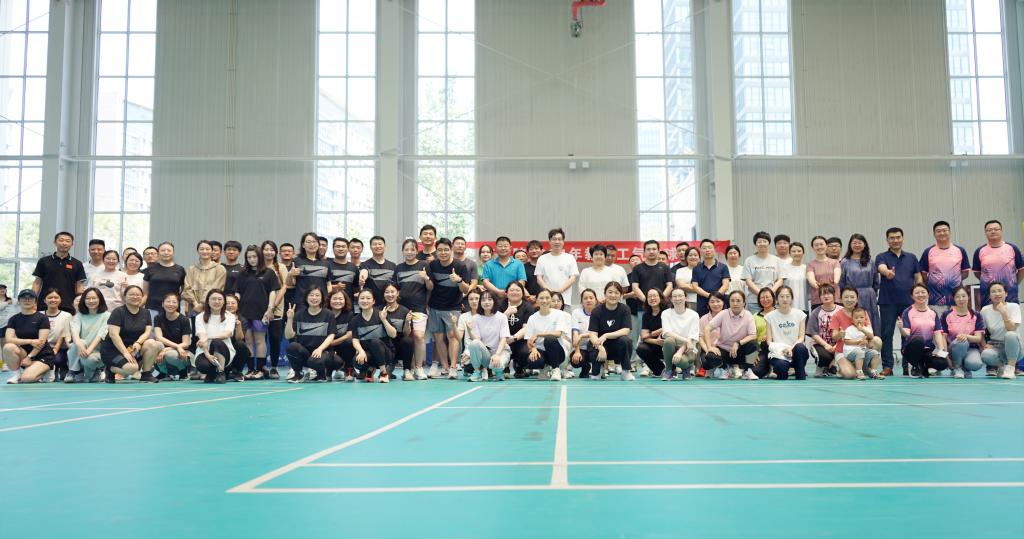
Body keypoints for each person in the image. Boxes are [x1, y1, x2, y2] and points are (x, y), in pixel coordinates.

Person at [876, 227, 921, 377]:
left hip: (908, 303)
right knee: (886, 334)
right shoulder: (882, 256)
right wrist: (887, 273)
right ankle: (887, 366)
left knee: (908, 334)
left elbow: (918, 277)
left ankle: (908, 366)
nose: (895, 240)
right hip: (888, 302)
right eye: (892, 238)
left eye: (898, 237)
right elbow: (881, 268)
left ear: (902, 238)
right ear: (887, 240)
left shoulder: (911, 257)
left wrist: (919, 293)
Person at [427, 238, 473, 379]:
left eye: (446, 250)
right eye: (440, 250)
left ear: (451, 249)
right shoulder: (433, 265)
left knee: (453, 337)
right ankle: (445, 367)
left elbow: (466, 290)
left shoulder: (460, 266)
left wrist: (459, 280)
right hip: (435, 306)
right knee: (438, 338)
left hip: (453, 307)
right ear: (436, 251)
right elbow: (430, 287)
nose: (443, 253)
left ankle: (453, 366)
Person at [236, 245, 280, 379]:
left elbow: (272, 292)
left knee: (260, 340)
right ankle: (250, 369)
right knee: (248, 341)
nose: (252, 259)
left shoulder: (269, 273)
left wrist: (270, 309)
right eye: (249, 257)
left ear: (260, 257)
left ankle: (260, 369)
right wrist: (235, 309)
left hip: (261, 313)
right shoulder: (242, 273)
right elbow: (237, 292)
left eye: (254, 256)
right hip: (244, 312)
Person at [395, 238, 432, 379]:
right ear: (402, 252)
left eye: (412, 249)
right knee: (408, 338)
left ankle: (419, 368)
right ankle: (408, 369)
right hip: (402, 309)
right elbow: (395, 289)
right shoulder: (398, 268)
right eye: (406, 249)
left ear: (417, 251)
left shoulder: (424, 265)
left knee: (419, 336)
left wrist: (426, 278)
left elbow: (431, 287)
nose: (409, 252)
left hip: (419, 307)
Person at [99, 285, 153, 383]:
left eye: (138, 295)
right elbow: (113, 335)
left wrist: (139, 342)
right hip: (113, 350)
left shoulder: (146, 312)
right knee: (132, 368)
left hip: (132, 349)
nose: (135, 297)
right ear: (125, 297)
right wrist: (125, 352)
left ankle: (146, 375)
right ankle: (110, 369)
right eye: (131, 294)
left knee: (153, 344)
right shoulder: (118, 312)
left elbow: (147, 331)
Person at [284, 287, 337, 383]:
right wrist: (290, 319)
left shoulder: (328, 314)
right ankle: (298, 374)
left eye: (317, 295)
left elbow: (331, 335)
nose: (314, 298)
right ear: (306, 297)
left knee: (315, 360)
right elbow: (289, 336)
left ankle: (321, 373)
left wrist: (320, 349)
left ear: (322, 298)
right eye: (311, 295)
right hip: (305, 352)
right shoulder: (299, 314)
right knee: (292, 346)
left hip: (323, 352)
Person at [703, 291, 759, 380]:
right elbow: (707, 328)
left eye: (738, 301)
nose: (735, 303)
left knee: (754, 344)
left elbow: (753, 335)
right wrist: (709, 347)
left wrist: (738, 343)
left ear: (744, 303)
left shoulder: (748, 315)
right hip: (724, 350)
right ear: (729, 302)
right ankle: (725, 369)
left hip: (740, 351)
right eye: (732, 300)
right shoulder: (723, 313)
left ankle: (747, 370)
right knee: (710, 356)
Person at [919, 221, 970, 314]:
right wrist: (932, 283)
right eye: (938, 231)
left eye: (945, 230)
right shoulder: (928, 251)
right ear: (934, 234)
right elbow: (923, 273)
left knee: (957, 323)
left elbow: (965, 273)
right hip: (935, 299)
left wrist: (953, 280)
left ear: (949, 232)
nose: (942, 233)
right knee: (937, 323)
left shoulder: (960, 250)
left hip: (957, 299)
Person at [832, 288, 883, 380]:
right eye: (846, 297)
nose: (849, 300)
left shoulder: (863, 313)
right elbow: (834, 338)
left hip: (861, 348)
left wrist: (865, 339)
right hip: (843, 351)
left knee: (877, 340)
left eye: (852, 297)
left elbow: (870, 333)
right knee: (850, 375)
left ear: (857, 299)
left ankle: (867, 368)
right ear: (841, 299)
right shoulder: (836, 315)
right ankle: (840, 367)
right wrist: (840, 334)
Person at [3, 289, 53, 384]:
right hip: (24, 353)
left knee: (27, 378)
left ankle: (46, 370)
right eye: (24, 298)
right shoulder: (13, 319)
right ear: (18, 301)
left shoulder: (42, 318)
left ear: (35, 301)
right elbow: (9, 339)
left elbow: (41, 342)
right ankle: (17, 375)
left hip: (42, 354)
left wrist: (29, 357)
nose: (27, 300)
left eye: (30, 298)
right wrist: (30, 341)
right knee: (8, 347)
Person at [899, 284, 948, 378]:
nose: (920, 295)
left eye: (923, 292)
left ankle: (923, 366)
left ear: (928, 294)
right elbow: (906, 334)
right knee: (919, 340)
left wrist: (941, 350)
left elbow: (937, 333)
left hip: (927, 350)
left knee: (942, 363)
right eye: (917, 293)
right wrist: (901, 328)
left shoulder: (933, 313)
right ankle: (914, 366)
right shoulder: (907, 311)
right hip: (911, 349)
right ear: (912, 296)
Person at [522, 289, 572, 380]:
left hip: (558, 353)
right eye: (541, 298)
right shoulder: (532, 318)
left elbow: (558, 333)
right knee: (533, 360)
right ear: (537, 300)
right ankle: (545, 368)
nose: (544, 301)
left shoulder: (559, 314)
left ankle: (556, 369)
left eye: (547, 298)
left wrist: (539, 334)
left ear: (550, 300)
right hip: (540, 351)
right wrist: (533, 349)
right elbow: (529, 339)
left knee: (549, 338)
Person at [350, 289, 399, 383]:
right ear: (358, 301)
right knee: (356, 361)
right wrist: (361, 351)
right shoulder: (355, 320)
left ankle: (383, 372)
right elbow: (355, 340)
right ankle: (369, 368)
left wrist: (384, 320)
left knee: (375, 342)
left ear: (373, 301)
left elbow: (393, 335)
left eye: (368, 298)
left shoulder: (381, 314)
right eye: (362, 298)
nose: (365, 301)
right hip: (369, 354)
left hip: (386, 354)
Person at [588, 283, 634, 381]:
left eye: (616, 293)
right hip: (601, 345)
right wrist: (600, 347)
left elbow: (626, 330)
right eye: (610, 292)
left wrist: (606, 335)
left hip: (617, 346)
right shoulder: (596, 311)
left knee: (626, 341)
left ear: (621, 295)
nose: (613, 295)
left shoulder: (625, 309)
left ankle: (626, 371)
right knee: (591, 344)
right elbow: (592, 334)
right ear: (605, 294)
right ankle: (598, 370)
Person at [972, 220, 1024, 306]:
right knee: (989, 314)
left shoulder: (1013, 248)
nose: (993, 231)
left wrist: (1013, 283)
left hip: (1010, 294)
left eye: (996, 229)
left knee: (1010, 315)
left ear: (1001, 231)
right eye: (989, 230)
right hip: (988, 295)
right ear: (985, 233)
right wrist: (988, 280)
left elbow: (1021, 270)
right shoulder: (979, 251)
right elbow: (977, 273)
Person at [31, 231, 86, 313]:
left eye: (68, 241)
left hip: (68, 305)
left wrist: (79, 302)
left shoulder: (77, 263)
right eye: (61, 240)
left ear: (72, 244)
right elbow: (37, 283)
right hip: (45, 304)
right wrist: (33, 300)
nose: (64, 243)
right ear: (55, 242)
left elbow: (79, 286)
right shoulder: (44, 261)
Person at [464, 290, 511, 382]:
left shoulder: (502, 317)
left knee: (497, 364)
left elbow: (503, 339)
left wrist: (497, 355)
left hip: (501, 352)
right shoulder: (476, 318)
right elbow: (477, 341)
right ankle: (477, 371)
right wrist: (469, 330)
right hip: (486, 353)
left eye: (489, 299)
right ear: (480, 303)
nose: (486, 302)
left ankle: (498, 371)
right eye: (483, 300)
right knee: (474, 343)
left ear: (494, 301)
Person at [65, 288, 110, 383]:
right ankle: (74, 371)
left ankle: (97, 370)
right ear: (83, 300)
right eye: (88, 298)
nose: (91, 301)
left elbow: (100, 335)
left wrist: (89, 350)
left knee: (90, 360)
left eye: (94, 298)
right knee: (76, 343)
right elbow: (75, 332)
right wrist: (79, 344)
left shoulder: (106, 315)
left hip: (97, 352)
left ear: (100, 299)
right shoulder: (79, 315)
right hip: (81, 349)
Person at [939, 286, 985, 379]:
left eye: (964, 296)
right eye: (958, 296)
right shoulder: (946, 314)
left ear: (968, 297)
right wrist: (946, 355)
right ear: (953, 298)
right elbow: (943, 337)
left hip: (971, 348)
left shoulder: (976, 315)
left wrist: (966, 336)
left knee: (976, 364)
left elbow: (978, 338)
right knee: (961, 341)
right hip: (953, 349)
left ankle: (965, 368)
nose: (961, 299)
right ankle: (957, 368)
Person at [764, 285, 809, 380]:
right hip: (779, 352)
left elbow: (801, 338)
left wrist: (790, 349)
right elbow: (769, 341)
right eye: (781, 296)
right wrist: (782, 349)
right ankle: (780, 370)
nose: (785, 299)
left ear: (792, 299)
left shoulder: (800, 314)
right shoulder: (770, 317)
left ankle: (800, 373)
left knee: (800, 348)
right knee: (782, 369)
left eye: (787, 296)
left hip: (795, 351)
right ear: (777, 299)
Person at [193, 290, 237, 384]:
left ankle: (221, 372)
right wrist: (207, 355)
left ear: (224, 302)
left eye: (220, 299)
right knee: (203, 365)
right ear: (208, 301)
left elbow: (226, 334)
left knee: (216, 341)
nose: (217, 302)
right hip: (205, 350)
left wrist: (208, 337)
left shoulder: (230, 316)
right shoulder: (199, 317)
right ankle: (212, 373)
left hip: (224, 351)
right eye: (213, 299)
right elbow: (202, 338)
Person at [979, 282, 1021, 379]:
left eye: (1000, 291)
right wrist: (984, 345)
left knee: (1010, 334)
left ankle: (1011, 368)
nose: (997, 294)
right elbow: (980, 331)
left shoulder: (1014, 306)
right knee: (985, 355)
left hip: (1014, 346)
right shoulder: (985, 310)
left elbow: (1012, 329)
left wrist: (1004, 313)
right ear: (989, 296)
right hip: (996, 345)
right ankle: (1001, 367)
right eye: (993, 292)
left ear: (1006, 293)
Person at [838, 233, 879, 330]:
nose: (857, 245)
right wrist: (845, 296)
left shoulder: (870, 261)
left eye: (860, 243)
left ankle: (872, 338)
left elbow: (876, 280)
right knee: (854, 319)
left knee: (871, 319)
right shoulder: (845, 262)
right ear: (850, 245)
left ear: (864, 244)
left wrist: (872, 293)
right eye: (854, 243)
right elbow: (841, 281)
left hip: (869, 295)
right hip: (851, 295)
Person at [658, 288, 700, 381]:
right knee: (668, 340)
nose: (677, 298)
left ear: (686, 298)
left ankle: (686, 368)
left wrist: (680, 352)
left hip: (688, 348)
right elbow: (667, 332)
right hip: (672, 345)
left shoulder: (694, 315)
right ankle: (669, 371)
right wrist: (686, 340)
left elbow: (692, 337)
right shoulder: (666, 313)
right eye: (675, 296)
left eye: (680, 296)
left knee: (680, 361)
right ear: (671, 299)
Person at [261, 241, 289, 379]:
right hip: (259, 309)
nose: (269, 252)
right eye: (266, 249)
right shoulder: (257, 267)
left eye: (272, 250)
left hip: (276, 309)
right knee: (260, 338)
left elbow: (284, 287)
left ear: (276, 252)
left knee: (275, 339)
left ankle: (273, 367)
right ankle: (261, 367)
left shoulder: (281, 267)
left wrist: (272, 306)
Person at [150, 292, 192, 380]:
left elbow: (186, 343)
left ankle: (183, 370)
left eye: (174, 302)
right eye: (168, 301)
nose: (171, 304)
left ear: (178, 304)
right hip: (167, 348)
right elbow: (159, 337)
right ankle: (163, 372)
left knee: (170, 355)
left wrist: (168, 349)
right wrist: (175, 347)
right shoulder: (158, 318)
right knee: (153, 346)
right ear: (162, 304)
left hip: (181, 351)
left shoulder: (184, 320)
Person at [536, 228, 581, 308]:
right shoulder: (542, 258)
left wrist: (558, 292)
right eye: (554, 239)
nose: (557, 242)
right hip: (547, 300)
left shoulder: (570, 258)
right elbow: (539, 279)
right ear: (549, 241)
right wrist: (550, 293)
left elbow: (572, 278)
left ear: (563, 241)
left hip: (565, 300)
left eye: (559, 239)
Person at [142, 242, 186, 320]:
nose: (166, 252)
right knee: (153, 328)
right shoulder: (150, 269)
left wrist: (176, 299)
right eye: (163, 250)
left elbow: (184, 289)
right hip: (153, 308)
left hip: (172, 307)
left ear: (173, 253)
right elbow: (145, 293)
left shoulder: (180, 269)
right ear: (158, 253)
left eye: (169, 250)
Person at [183, 240, 227, 315]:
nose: (204, 251)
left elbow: (217, 287)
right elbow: (187, 288)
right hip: (194, 308)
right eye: (202, 249)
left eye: (207, 249)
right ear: (197, 251)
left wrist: (202, 304)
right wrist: (195, 303)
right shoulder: (191, 269)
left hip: (212, 307)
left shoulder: (220, 269)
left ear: (212, 251)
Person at [741, 231, 782, 313]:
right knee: (756, 321)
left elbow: (780, 280)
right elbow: (748, 280)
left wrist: (770, 294)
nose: (762, 243)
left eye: (765, 241)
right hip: (754, 301)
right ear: (755, 244)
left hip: (772, 301)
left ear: (769, 243)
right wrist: (761, 294)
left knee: (772, 321)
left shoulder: (777, 260)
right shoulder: (749, 260)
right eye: (759, 242)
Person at [288, 232, 330, 311]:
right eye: (308, 242)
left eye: (314, 242)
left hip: (321, 302)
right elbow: (291, 284)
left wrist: (326, 298)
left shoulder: (326, 263)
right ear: (303, 245)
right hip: (302, 303)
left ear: (318, 244)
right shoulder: (296, 261)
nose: (312, 244)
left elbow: (328, 285)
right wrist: (290, 274)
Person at [381, 283, 414, 380]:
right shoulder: (378, 310)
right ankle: (387, 367)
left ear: (398, 293)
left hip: (398, 347)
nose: (390, 295)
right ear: (383, 294)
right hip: (385, 347)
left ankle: (406, 370)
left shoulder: (404, 310)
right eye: (387, 292)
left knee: (408, 341)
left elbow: (406, 333)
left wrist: (407, 322)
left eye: (392, 292)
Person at [806, 285, 841, 378]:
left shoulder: (841, 310)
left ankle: (832, 365)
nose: (826, 296)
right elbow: (813, 333)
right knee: (824, 356)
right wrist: (826, 345)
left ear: (834, 295)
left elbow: (846, 331)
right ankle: (823, 365)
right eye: (823, 294)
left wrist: (837, 346)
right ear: (819, 297)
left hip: (839, 344)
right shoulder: (816, 312)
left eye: (828, 293)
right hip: (820, 345)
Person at [502, 281, 535, 377]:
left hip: (520, 340)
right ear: (506, 293)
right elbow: (496, 325)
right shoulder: (500, 305)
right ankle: (504, 366)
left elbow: (526, 328)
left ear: (522, 293)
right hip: (503, 339)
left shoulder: (528, 307)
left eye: (517, 290)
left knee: (525, 352)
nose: (514, 292)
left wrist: (513, 338)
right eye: (512, 290)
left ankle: (520, 366)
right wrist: (507, 313)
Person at [691, 239, 731, 316]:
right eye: (704, 248)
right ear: (700, 251)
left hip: (719, 303)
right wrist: (709, 296)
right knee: (703, 322)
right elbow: (695, 286)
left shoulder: (723, 267)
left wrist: (715, 297)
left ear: (714, 250)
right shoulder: (696, 268)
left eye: (710, 247)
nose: (707, 250)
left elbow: (725, 285)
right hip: (702, 303)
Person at [481, 236, 527, 301]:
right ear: (496, 248)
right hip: (494, 300)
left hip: (514, 299)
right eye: (500, 246)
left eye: (505, 246)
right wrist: (498, 292)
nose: (503, 248)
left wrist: (510, 292)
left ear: (510, 248)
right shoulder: (488, 264)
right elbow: (485, 282)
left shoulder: (518, 264)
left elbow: (522, 281)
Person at [41, 289, 72, 382]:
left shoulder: (67, 315)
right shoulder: (39, 314)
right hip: (42, 348)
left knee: (57, 359)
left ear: (60, 299)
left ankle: (62, 367)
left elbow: (65, 334)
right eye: (50, 297)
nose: (53, 300)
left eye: (56, 297)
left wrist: (56, 349)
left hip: (60, 349)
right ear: (44, 300)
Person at [635, 288, 667, 377]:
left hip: (667, 343)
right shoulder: (646, 315)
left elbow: (667, 329)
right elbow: (643, 336)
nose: (652, 298)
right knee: (641, 348)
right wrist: (656, 341)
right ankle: (660, 370)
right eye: (649, 296)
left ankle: (672, 368)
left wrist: (650, 334)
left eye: (655, 296)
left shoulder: (667, 311)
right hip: (654, 343)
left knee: (669, 342)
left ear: (660, 297)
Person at [326, 288, 356, 381]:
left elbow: (349, 335)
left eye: (340, 299)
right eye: (334, 299)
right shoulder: (324, 314)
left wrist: (332, 343)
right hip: (326, 347)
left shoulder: (349, 315)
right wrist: (328, 345)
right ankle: (326, 372)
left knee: (349, 342)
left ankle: (349, 369)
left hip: (342, 346)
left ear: (345, 300)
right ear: (329, 300)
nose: (337, 301)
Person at [359, 236, 397, 306]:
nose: (377, 246)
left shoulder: (393, 266)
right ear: (370, 247)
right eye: (374, 244)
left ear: (384, 246)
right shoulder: (365, 264)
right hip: (371, 305)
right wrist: (362, 279)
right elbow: (363, 272)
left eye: (380, 244)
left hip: (389, 304)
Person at [222, 294, 253, 381]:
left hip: (235, 349)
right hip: (222, 347)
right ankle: (222, 371)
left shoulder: (242, 320)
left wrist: (238, 325)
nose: (230, 305)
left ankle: (237, 371)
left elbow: (239, 339)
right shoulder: (217, 317)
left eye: (233, 303)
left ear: (238, 305)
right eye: (227, 303)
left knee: (241, 345)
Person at [806, 236, 841, 311]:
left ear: (826, 245)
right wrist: (815, 284)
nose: (819, 247)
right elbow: (811, 280)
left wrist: (835, 282)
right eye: (816, 245)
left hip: (834, 298)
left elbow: (837, 276)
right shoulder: (810, 264)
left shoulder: (835, 262)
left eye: (821, 244)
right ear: (812, 248)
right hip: (818, 299)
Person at [570, 289, 598, 378]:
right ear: (581, 301)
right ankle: (586, 366)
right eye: (585, 298)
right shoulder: (576, 313)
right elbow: (575, 333)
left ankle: (601, 368)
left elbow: (599, 334)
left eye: (591, 298)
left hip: (595, 346)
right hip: (581, 347)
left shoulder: (600, 312)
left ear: (596, 300)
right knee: (576, 361)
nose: (588, 300)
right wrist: (577, 351)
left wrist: (582, 335)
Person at [698, 292, 726, 377]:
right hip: (709, 348)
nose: (715, 304)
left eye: (718, 301)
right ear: (708, 304)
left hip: (725, 349)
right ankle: (713, 367)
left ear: (723, 302)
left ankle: (726, 367)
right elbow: (700, 338)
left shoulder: (729, 317)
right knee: (707, 360)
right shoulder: (703, 318)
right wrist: (708, 350)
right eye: (712, 302)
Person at [750, 287, 776, 378]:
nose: (765, 300)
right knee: (754, 371)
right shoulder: (755, 316)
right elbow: (752, 336)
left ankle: (773, 367)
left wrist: (770, 337)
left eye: (767, 297)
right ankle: (767, 367)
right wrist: (753, 354)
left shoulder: (779, 313)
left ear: (773, 298)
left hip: (776, 349)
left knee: (766, 341)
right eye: (762, 297)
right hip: (760, 349)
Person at [327, 237, 359, 304]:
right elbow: (320, 285)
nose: (341, 249)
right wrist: (333, 287)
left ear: (348, 249)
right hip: (329, 304)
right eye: (338, 246)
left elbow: (356, 288)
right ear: (333, 249)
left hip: (348, 305)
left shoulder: (353, 267)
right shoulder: (326, 265)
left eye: (343, 247)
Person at [780, 242, 808, 312]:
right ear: (789, 253)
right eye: (793, 251)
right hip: (787, 306)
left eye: (799, 251)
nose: (796, 253)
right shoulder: (784, 268)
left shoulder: (807, 268)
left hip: (804, 305)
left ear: (803, 253)